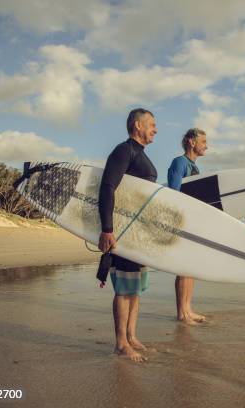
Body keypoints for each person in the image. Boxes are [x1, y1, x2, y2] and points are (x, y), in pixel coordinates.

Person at [98, 108, 158, 362]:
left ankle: (131, 336)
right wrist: (108, 229)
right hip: (122, 230)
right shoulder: (125, 151)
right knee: (124, 287)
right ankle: (120, 343)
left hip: (137, 233)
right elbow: (108, 187)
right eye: (152, 125)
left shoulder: (140, 154)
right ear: (137, 126)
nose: (155, 129)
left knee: (135, 287)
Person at [167, 128, 208, 324]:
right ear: (192, 142)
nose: (206, 146)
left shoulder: (195, 167)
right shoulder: (179, 163)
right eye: (203, 141)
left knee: (191, 266)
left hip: (193, 222)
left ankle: (188, 309)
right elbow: (173, 193)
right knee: (184, 267)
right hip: (182, 221)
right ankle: (181, 313)